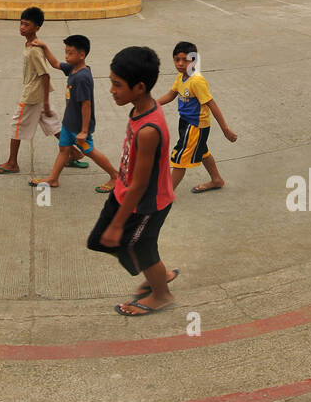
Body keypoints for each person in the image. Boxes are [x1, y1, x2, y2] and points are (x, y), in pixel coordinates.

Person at [93, 45, 178, 316]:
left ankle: (161, 294)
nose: (112, 90)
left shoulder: (149, 129)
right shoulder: (140, 108)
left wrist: (118, 225)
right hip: (123, 192)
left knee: (141, 248)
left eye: (117, 85)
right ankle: (159, 273)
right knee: (98, 240)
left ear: (139, 87)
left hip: (146, 204)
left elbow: (141, 184)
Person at [158, 42, 237, 193]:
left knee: (179, 158)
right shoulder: (181, 77)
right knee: (202, 151)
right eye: (176, 59)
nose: (180, 64)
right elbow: (171, 94)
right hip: (186, 122)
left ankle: (165, 194)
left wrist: (225, 129)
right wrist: (153, 104)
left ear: (194, 60)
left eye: (185, 60)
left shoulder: (197, 81)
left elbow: (212, 104)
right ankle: (216, 180)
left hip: (195, 125)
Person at [0, 6, 58, 175]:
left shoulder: (34, 49)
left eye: (26, 25)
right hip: (38, 94)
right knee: (53, 125)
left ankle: (12, 163)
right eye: (21, 23)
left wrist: (47, 103)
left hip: (32, 95)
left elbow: (45, 75)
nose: (22, 27)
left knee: (16, 124)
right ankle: (74, 153)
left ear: (37, 28)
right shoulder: (30, 44)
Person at [31, 34, 98, 192]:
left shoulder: (82, 77)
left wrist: (83, 130)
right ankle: (53, 179)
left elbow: (86, 105)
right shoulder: (73, 68)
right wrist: (44, 46)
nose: (66, 56)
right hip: (69, 123)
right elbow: (54, 63)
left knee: (90, 151)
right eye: (66, 52)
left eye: (70, 53)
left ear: (82, 55)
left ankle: (114, 174)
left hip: (79, 126)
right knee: (63, 150)